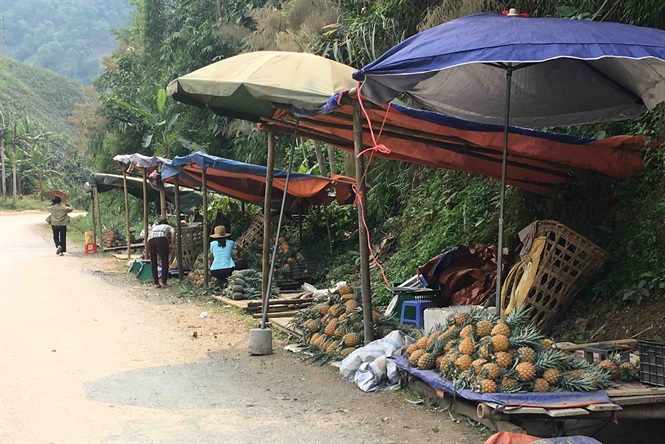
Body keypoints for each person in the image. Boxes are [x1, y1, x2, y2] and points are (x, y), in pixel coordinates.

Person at [147, 219, 175, 289]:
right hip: (161, 238)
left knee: (153, 261)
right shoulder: (168, 226)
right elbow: (173, 232)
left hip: (150, 239)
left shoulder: (155, 227)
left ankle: (156, 283)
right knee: (164, 260)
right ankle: (164, 283)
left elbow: (149, 235)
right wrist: (172, 243)